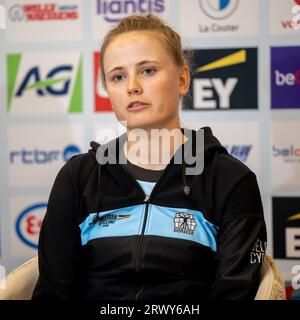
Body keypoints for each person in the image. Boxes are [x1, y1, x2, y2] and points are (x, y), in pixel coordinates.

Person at [32, 14, 267, 300]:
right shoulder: (78, 177)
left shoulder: (231, 180)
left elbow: (234, 293)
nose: (132, 86)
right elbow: (54, 292)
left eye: (147, 71)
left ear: (182, 79)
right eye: (118, 77)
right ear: (108, 90)